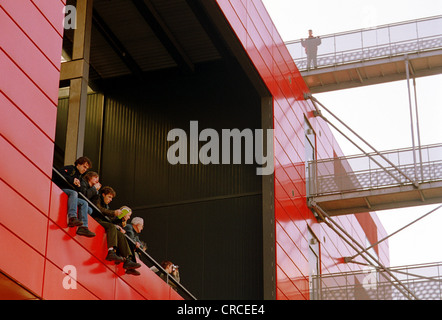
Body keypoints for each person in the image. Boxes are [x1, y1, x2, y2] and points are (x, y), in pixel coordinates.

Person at [92, 186, 141, 275]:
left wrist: (120, 218)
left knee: (120, 234)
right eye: (109, 197)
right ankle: (111, 251)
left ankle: (127, 259)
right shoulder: (97, 198)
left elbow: (109, 219)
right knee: (112, 227)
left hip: (104, 222)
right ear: (103, 195)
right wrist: (113, 213)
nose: (110, 199)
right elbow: (99, 209)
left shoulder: (106, 205)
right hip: (96, 220)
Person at [58, 156, 95, 237]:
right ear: (78, 164)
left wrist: (78, 186)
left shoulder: (80, 177)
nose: (85, 169)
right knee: (74, 193)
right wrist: (72, 180)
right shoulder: (71, 168)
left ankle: (83, 227)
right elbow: (59, 174)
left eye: (87, 168)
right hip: (61, 190)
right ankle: (72, 217)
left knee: (84, 203)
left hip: (70, 195)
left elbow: (80, 191)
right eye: (84, 166)